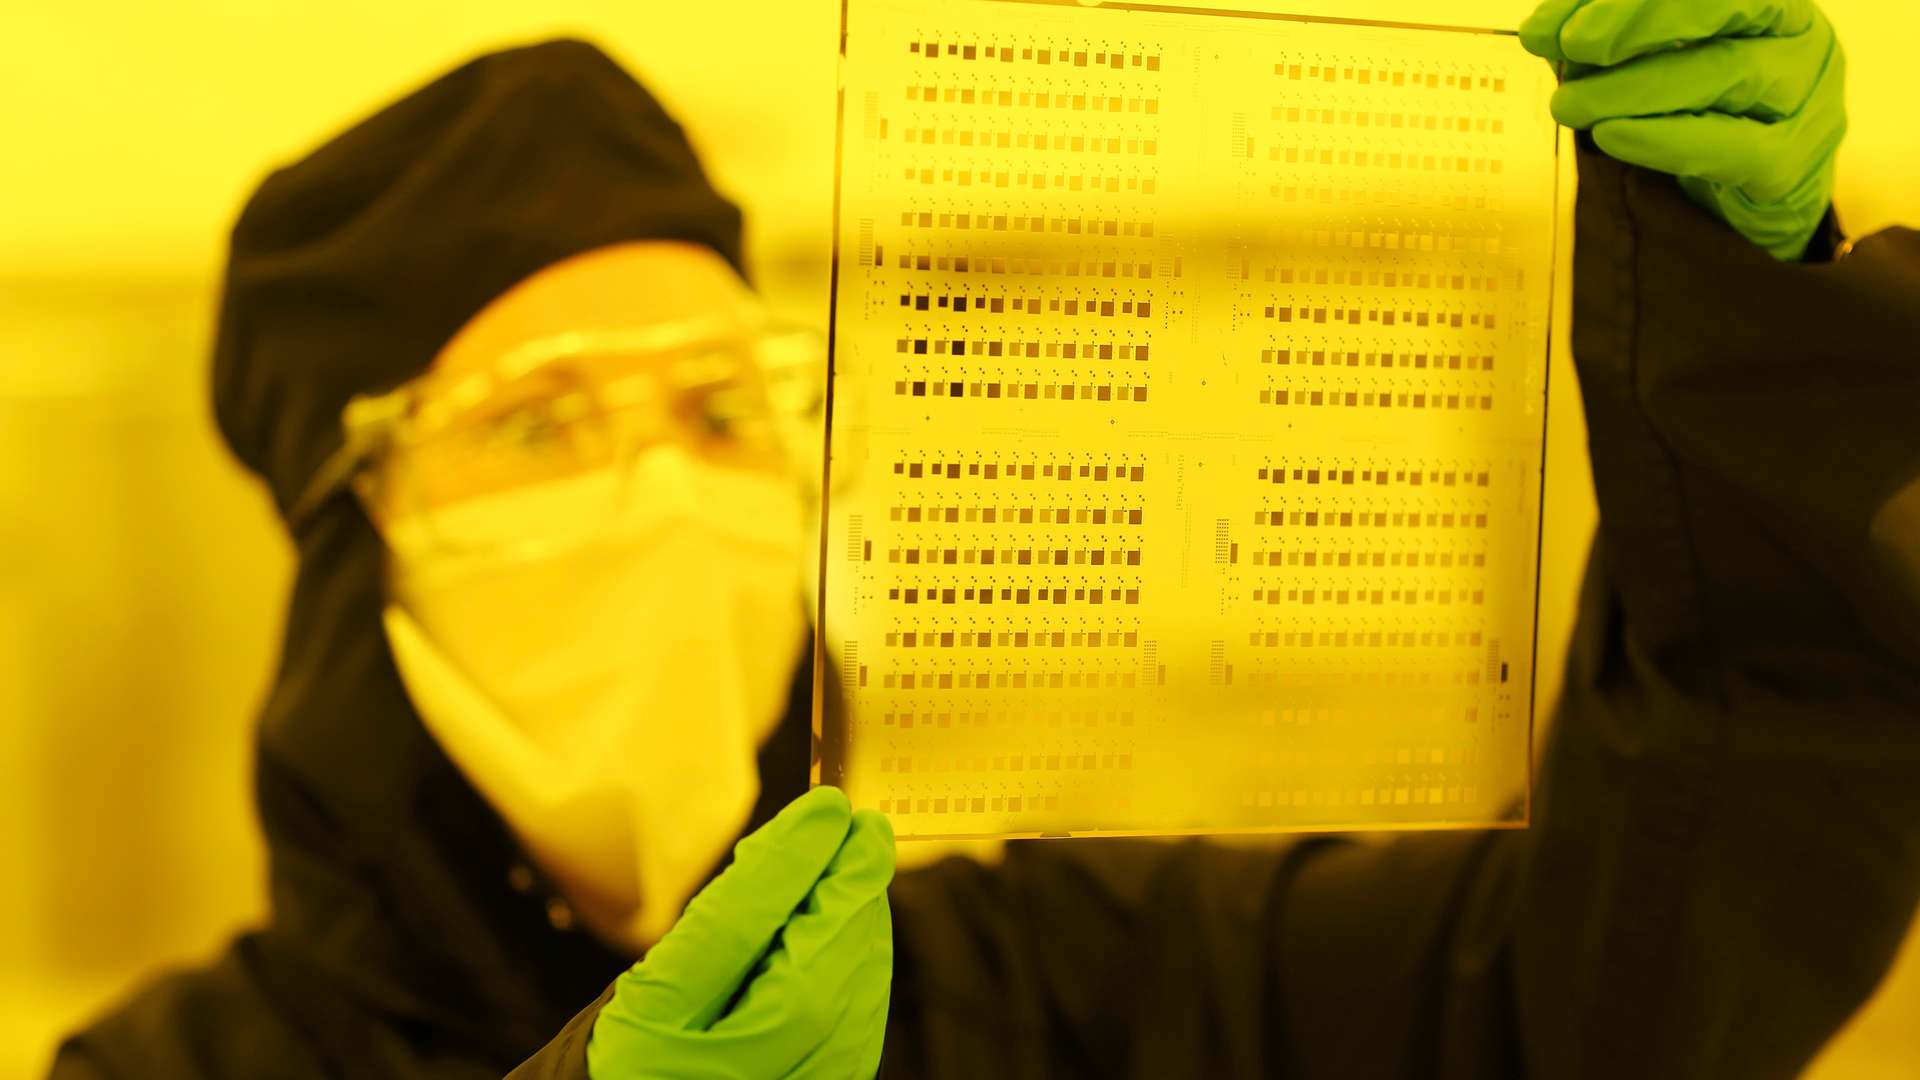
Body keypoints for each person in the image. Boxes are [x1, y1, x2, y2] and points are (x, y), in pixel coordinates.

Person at [51, 0, 1920, 1075]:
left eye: (723, 408)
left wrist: (1737, 362)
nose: (665, 493)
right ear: (350, 543)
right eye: (538, 423)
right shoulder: (174, 1076)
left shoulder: (1047, 985)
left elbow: (1619, 992)